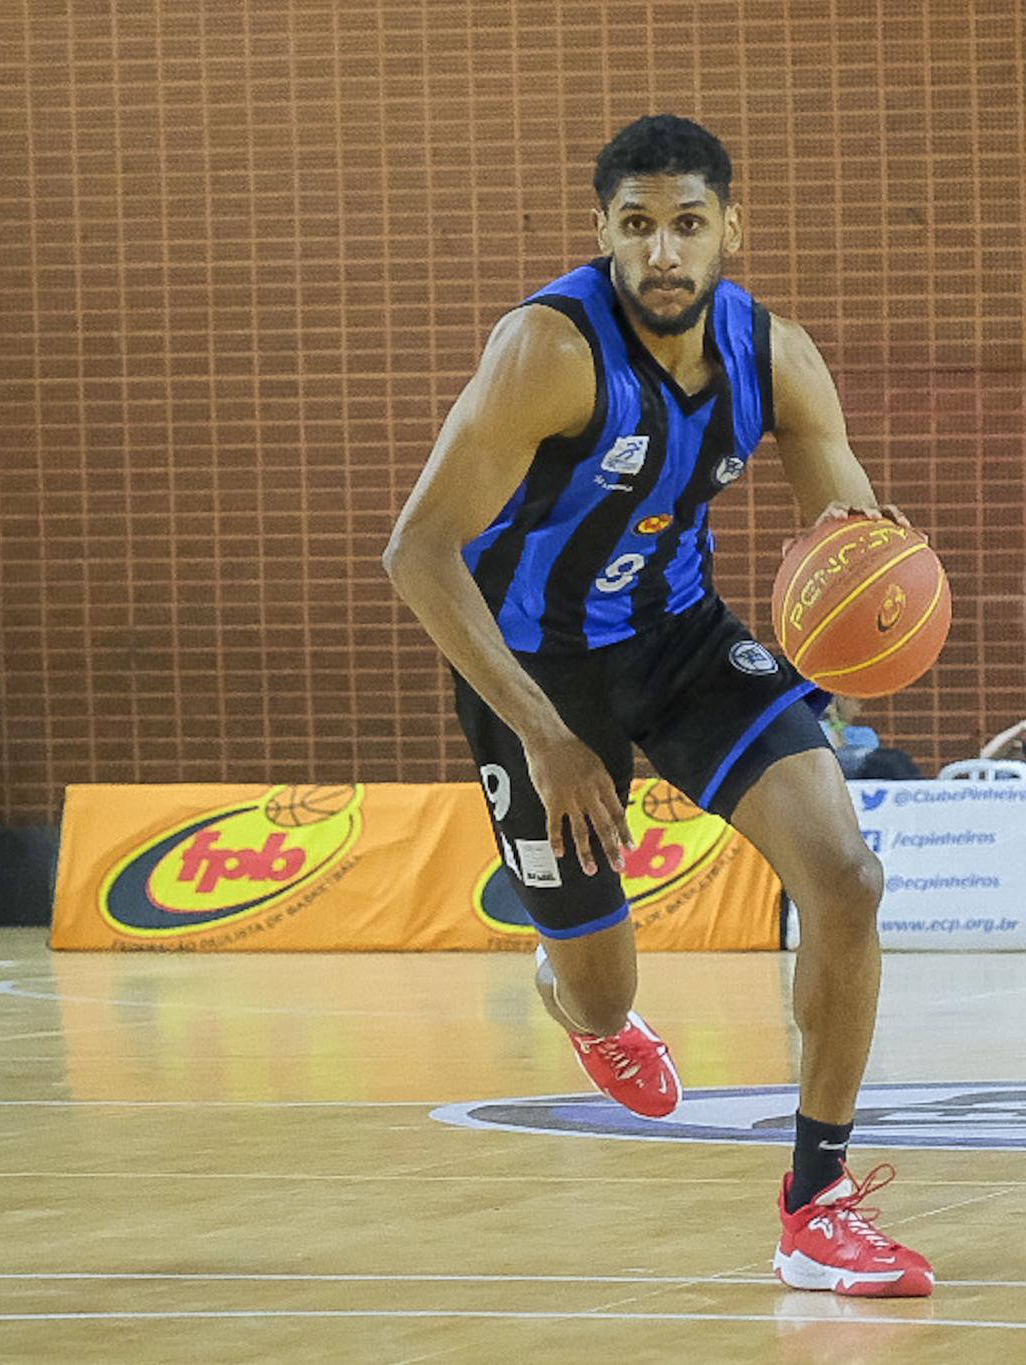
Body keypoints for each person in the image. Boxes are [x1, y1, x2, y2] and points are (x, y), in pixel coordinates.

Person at [384, 115, 931, 1297]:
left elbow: (849, 546)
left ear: (729, 228)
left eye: (687, 224)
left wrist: (881, 596)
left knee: (845, 877)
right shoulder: (547, 350)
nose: (663, 254)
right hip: (531, 666)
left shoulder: (774, 355)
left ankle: (814, 1204)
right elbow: (416, 552)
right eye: (636, 228)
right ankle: (572, 999)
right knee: (604, 982)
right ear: (603, 236)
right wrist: (544, 736)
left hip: (678, 638)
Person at [821, 695, 920, 780]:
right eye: (857, 702)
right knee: (894, 760)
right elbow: (837, 758)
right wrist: (834, 722)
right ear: (841, 700)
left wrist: (838, 727)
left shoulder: (864, 733)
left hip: (866, 773)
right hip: (839, 774)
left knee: (898, 757)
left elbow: (870, 756)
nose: (858, 710)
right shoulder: (821, 728)